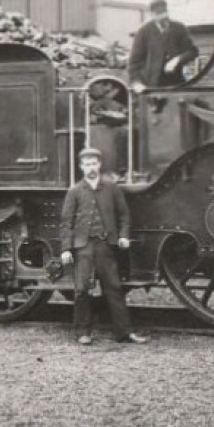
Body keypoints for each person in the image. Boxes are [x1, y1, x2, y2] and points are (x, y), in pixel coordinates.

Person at [59, 147, 148, 345]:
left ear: (99, 165)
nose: (91, 167)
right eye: (87, 164)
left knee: (114, 288)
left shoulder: (112, 188)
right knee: (82, 289)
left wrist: (124, 236)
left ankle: (124, 333)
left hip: (105, 245)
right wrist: (66, 248)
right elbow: (66, 223)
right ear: (81, 167)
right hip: (83, 246)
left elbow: (124, 215)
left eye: (94, 163)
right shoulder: (74, 191)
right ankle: (83, 332)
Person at [127, 0, 199, 92]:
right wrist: (137, 83)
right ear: (152, 14)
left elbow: (192, 51)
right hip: (151, 85)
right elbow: (133, 63)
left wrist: (177, 59)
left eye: (164, 12)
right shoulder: (143, 31)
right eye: (158, 13)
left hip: (175, 83)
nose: (163, 16)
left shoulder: (179, 28)